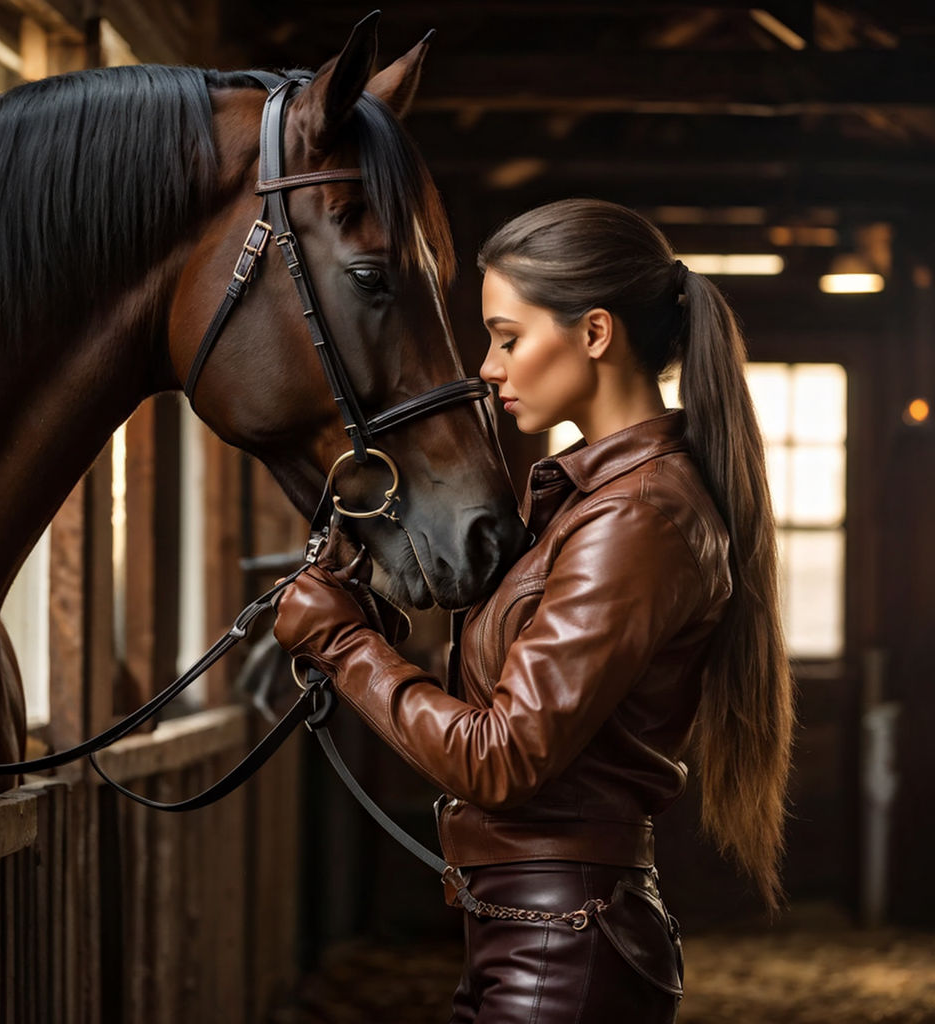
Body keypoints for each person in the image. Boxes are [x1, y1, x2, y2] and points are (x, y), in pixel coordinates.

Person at [272, 198, 794, 1023]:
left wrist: (343, 645)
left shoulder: (638, 516)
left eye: (508, 337)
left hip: (562, 944)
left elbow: (501, 758)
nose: (488, 366)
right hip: (535, 930)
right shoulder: (595, 501)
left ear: (594, 333)